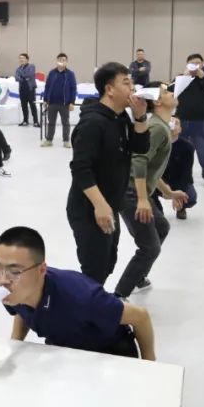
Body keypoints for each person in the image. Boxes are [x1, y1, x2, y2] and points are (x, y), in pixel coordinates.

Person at [0, 226, 156, 407]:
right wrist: (14, 346)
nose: (3, 280)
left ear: (41, 270)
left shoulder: (81, 297)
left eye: (14, 271)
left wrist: (150, 370)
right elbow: (21, 311)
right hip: (66, 352)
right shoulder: (14, 292)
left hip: (108, 358)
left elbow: (140, 317)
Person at [67, 62, 149, 284]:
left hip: (110, 205)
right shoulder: (92, 123)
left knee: (107, 262)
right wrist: (100, 205)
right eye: (126, 83)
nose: (132, 88)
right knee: (94, 269)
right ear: (109, 89)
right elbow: (80, 168)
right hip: (89, 208)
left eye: (132, 82)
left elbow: (140, 148)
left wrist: (140, 117)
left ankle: (95, 301)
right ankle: (86, 305)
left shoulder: (120, 117)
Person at [113, 82, 189, 299]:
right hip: (130, 193)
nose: (171, 93)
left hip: (136, 191)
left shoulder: (160, 126)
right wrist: (142, 199)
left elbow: (150, 169)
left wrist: (169, 192)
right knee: (150, 248)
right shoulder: (157, 128)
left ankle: (138, 275)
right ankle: (118, 296)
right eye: (166, 92)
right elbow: (139, 161)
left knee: (162, 226)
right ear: (157, 102)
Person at [174, 53, 204, 188]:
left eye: (198, 63)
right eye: (192, 63)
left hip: (199, 121)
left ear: (202, 65)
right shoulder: (180, 78)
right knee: (181, 149)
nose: (195, 65)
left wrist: (203, 76)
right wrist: (183, 78)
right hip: (182, 120)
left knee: (203, 149)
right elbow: (171, 90)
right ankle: (183, 174)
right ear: (187, 64)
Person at [162, 120, 197, 220]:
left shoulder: (188, 147)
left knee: (191, 196)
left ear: (180, 129)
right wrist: (165, 186)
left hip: (179, 180)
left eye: (176, 123)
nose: (172, 125)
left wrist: (177, 194)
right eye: (170, 122)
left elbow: (186, 173)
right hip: (160, 181)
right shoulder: (158, 143)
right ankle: (156, 209)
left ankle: (181, 208)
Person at [41, 53, 76, 148]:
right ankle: (49, 140)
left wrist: (72, 102)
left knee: (65, 123)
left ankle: (66, 141)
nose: (61, 61)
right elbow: (47, 87)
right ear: (57, 61)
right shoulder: (52, 73)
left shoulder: (70, 74)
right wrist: (45, 99)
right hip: (52, 103)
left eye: (63, 60)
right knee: (51, 122)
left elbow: (73, 88)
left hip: (64, 103)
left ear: (66, 62)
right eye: (60, 59)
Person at [15, 53, 40, 128]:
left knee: (32, 105)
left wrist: (21, 76)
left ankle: (36, 121)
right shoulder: (18, 68)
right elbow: (16, 77)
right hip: (22, 89)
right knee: (24, 106)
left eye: (23, 58)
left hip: (30, 89)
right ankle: (25, 121)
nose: (21, 59)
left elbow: (30, 74)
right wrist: (24, 78)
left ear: (27, 59)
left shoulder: (31, 66)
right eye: (20, 58)